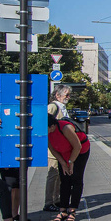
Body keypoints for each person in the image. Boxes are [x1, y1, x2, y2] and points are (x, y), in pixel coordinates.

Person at [47, 111, 90, 221]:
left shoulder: (65, 128)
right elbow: (52, 149)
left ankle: (72, 210)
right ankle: (63, 210)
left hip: (80, 152)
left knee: (76, 179)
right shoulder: (47, 132)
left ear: (52, 126)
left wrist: (71, 162)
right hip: (64, 153)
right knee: (64, 179)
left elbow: (77, 146)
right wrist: (62, 163)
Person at [44, 85, 71, 213]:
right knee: (53, 174)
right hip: (53, 148)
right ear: (57, 95)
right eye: (66, 95)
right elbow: (45, 123)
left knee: (59, 175)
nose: (68, 97)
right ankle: (48, 202)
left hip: (59, 147)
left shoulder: (61, 107)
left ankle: (56, 199)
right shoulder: (53, 107)